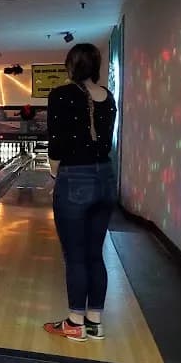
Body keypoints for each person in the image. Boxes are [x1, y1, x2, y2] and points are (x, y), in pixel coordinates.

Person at [44, 43, 118, 342]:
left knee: (74, 256)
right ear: (97, 66)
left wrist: (54, 171)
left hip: (75, 179)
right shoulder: (108, 97)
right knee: (94, 254)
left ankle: (74, 322)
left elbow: (57, 143)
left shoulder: (61, 95)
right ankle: (94, 323)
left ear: (70, 66)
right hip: (105, 179)